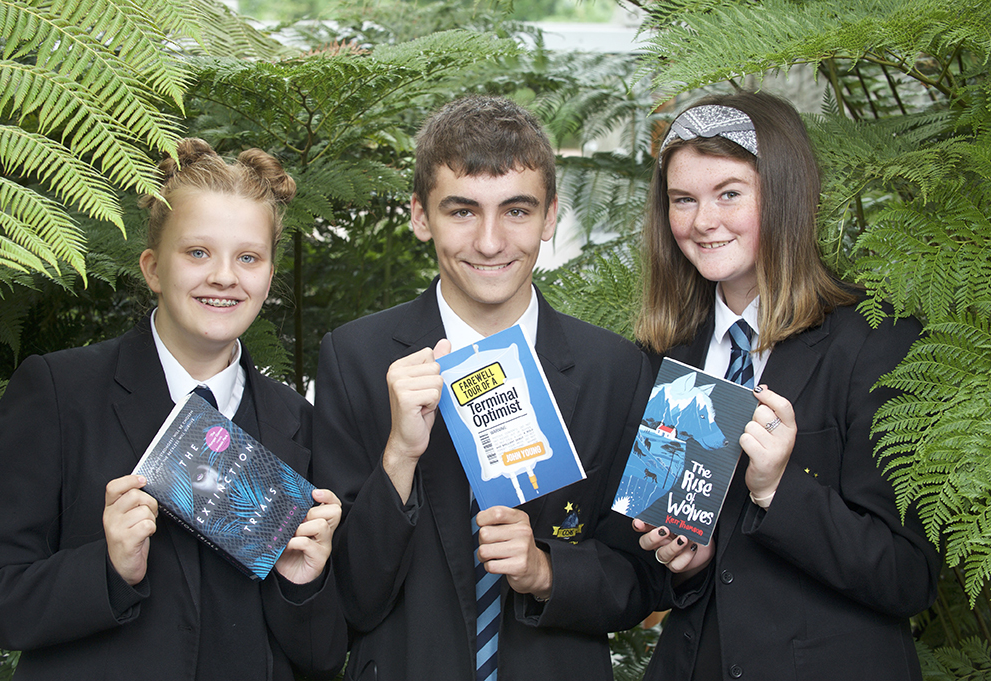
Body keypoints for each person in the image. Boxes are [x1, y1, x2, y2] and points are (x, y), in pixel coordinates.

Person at [312, 95, 663, 681]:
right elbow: (344, 597)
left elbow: (645, 577)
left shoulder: (616, 370)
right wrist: (399, 457)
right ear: (421, 217)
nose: (491, 242)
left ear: (551, 216)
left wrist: (547, 572)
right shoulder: (356, 359)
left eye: (517, 211)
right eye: (463, 211)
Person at [0, 139, 347, 680]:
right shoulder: (59, 393)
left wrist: (302, 583)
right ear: (152, 267)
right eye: (197, 253)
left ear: (267, 275)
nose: (223, 276)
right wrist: (108, 569)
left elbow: (324, 656)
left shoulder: (296, 423)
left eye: (248, 257)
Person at [633, 91, 942, 680]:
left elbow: (910, 576)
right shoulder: (666, 356)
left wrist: (778, 489)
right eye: (683, 200)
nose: (703, 222)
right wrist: (685, 563)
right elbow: (651, 572)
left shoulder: (878, 342)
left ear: (785, 195)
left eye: (729, 194)